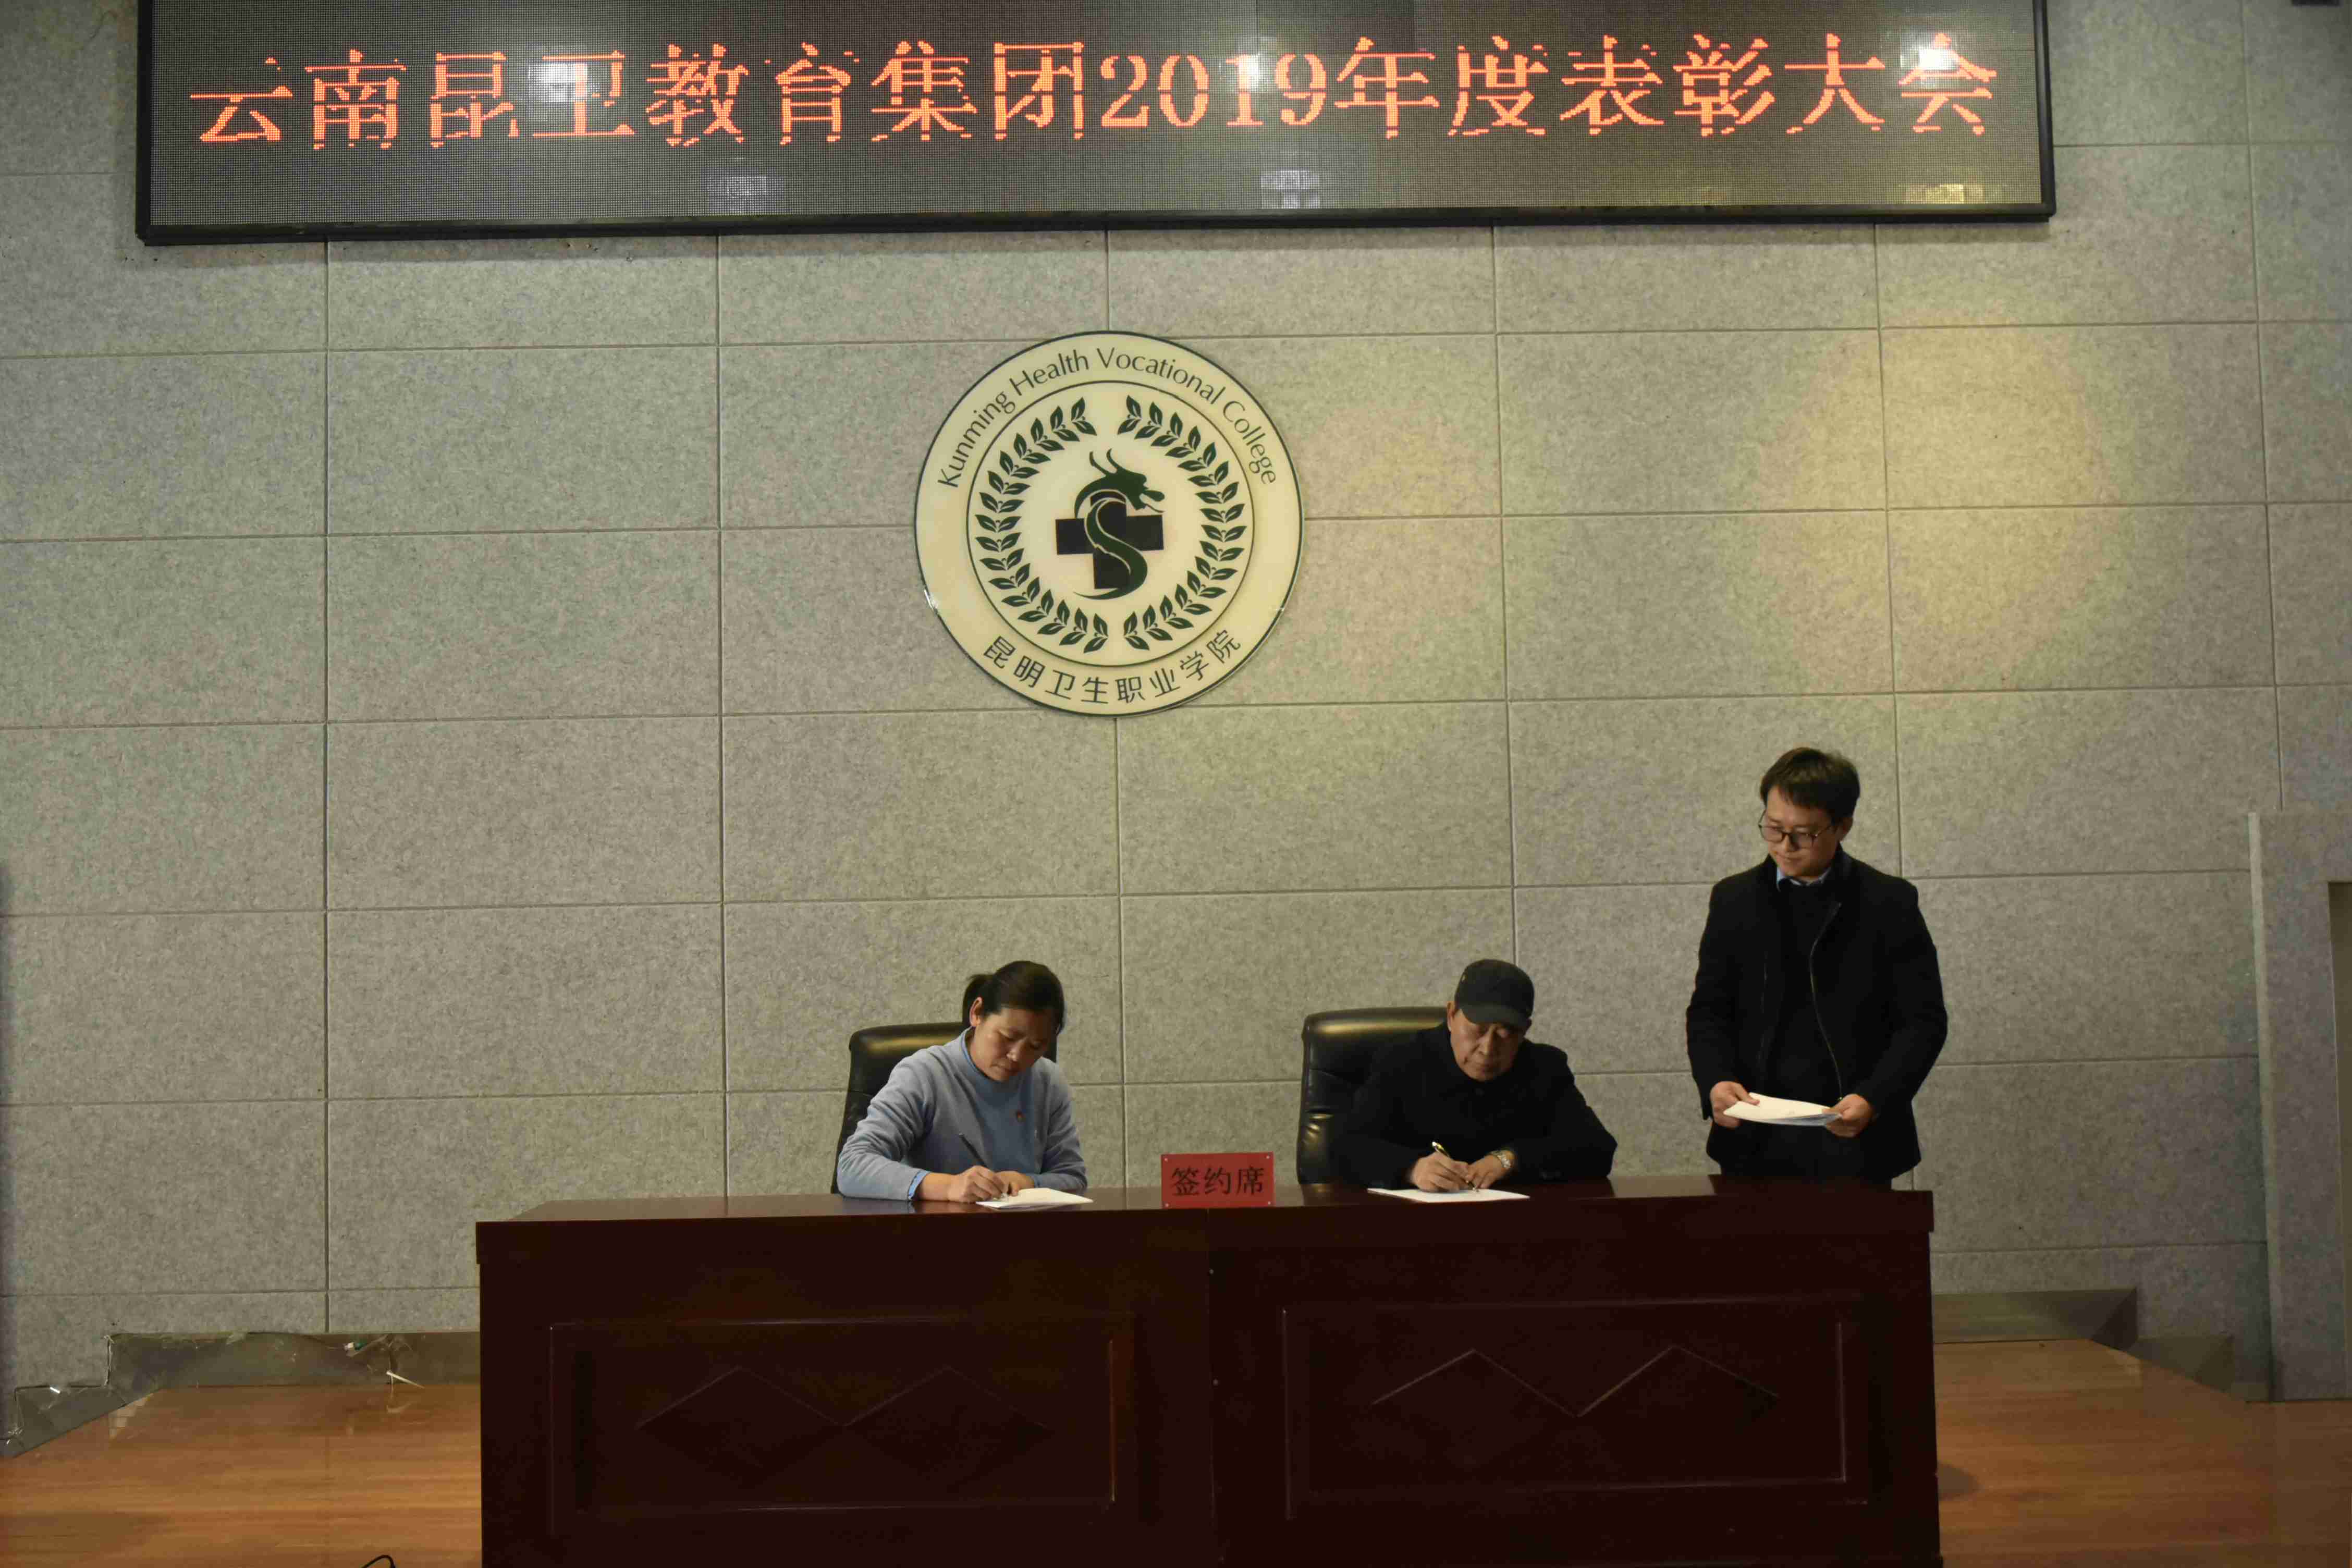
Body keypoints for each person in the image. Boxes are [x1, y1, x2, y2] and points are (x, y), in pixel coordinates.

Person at [1686, 746, 1949, 1184]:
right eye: (1774, 829)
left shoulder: (1889, 902)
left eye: (1804, 834)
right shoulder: (1733, 899)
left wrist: (1874, 1097)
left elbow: (1923, 1022)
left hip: (1856, 1136)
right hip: (1754, 1135)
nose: (1784, 846)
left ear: (1842, 826)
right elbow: (1709, 1010)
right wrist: (1715, 1080)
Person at [1331, 958, 1616, 1190]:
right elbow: (1346, 1148)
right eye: (1478, 1030)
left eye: (1505, 1034)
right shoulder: (1401, 1060)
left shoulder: (1545, 1067)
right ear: (1451, 1016)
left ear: (1525, 1031)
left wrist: (1511, 1158)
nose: (1488, 1049)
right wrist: (1412, 1168)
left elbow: (1598, 1148)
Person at [835, 960, 1087, 1202]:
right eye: (1008, 1037)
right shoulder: (924, 1075)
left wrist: (1029, 1182)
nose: (1017, 1056)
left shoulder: (1048, 1081)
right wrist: (948, 1186)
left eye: (1036, 1046)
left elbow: (1073, 1178)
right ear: (977, 1013)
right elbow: (852, 1166)